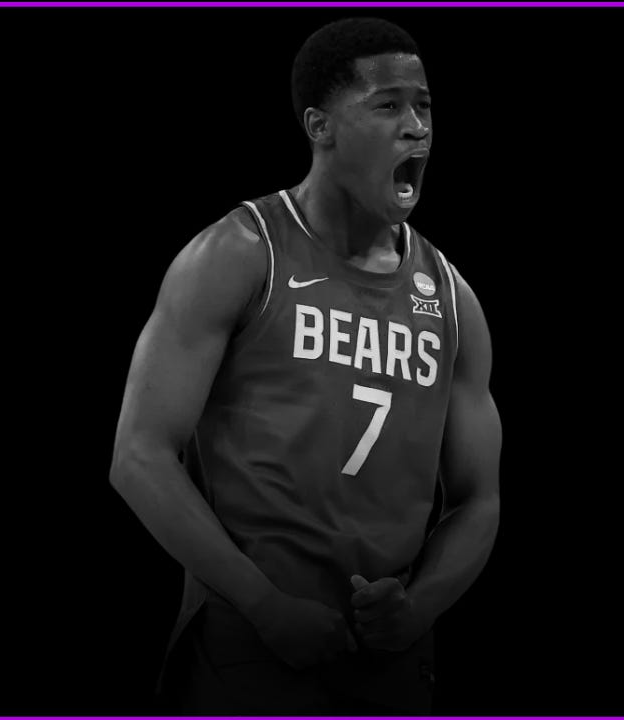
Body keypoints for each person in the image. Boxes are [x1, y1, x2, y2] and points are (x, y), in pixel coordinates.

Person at [109, 16, 502, 715]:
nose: (416, 128)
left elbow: (479, 500)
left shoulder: (450, 298)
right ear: (320, 126)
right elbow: (138, 456)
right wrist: (263, 603)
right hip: (249, 633)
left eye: (424, 106)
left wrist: (417, 608)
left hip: (387, 649)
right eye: (388, 106)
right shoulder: (240, 252)